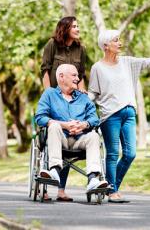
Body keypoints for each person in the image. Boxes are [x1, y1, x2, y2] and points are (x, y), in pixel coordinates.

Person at [88, 29, 150, 203]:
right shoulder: (97, 68)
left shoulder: (127, 62)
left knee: (130, 153)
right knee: (112, 154)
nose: (120, 43)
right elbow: (93, 93)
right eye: (116, 41)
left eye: (119, 40)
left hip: (129, 113)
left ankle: (111, 186)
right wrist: (79, 103)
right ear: (105, 46)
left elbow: (149, 62)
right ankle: (112, 191)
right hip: (109, 116)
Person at [35, 64, 108, 197]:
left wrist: (83, 125)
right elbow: (40, 117)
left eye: (77, 75)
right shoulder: (49, 94)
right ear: (61, 77)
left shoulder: (83, 97)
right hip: (58, 139)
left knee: (94, 136)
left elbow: (94, 119)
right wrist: (64, 125)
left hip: (80, 140)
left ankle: (93, 179)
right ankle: (54, 171)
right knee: (54, 125)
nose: (78, 78)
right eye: (74, 75)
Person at [40, 16, 89, 201]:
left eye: (78, 25)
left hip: (73, 100)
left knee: (71, 135)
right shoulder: (52, 44)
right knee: (50, 139)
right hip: (54, 99)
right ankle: (44, 189)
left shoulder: (80, 49)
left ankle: (61, 190)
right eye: (74, 26)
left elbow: (81, 75)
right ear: (65, 28)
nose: (78, 29)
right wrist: (49, 96)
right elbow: (45, 70)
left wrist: (81, 91)